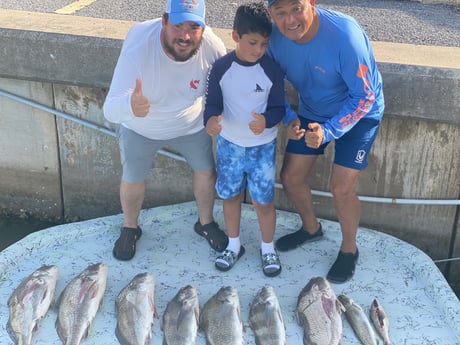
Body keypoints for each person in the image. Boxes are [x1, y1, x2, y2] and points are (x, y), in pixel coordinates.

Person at [266, 0, 385, 283]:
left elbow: (365, 96)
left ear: (312, 3)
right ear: (270, 13)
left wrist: (329, 131)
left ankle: (349, 249)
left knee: (341, 188)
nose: (290, 20)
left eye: (296, 8)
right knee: (290, 178)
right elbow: (270, 83)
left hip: (360, 114)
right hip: (311, 111)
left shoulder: (345, 35)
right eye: (280, 12)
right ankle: (311, 229)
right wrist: (290, 118)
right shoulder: (273, 38)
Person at [103, 0, 229, 261]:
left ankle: (205, 223)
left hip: (191, 124)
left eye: (194, 27)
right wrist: (130, 105)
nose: (185, 36)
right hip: (141, 125)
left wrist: (219, 117)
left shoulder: (214, 48)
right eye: (177, 26)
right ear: (163, 21)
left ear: (204, 29)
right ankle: (130, 227)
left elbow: (226, 93)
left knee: (206, 172)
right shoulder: (139, 41)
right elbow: (109, 110)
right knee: (133, 177)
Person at [204, 2, 285, 277]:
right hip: (229, 146)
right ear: (235, 36)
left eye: (264, 44)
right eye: (253, 43)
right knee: (230, 197)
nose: (259, 50)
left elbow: (278, 108)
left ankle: (267, 247)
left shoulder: (272, 70)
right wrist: (211, 121)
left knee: (264, 202)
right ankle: (234, 244)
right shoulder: (220, 68)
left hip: (263, 147)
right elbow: (212, 103)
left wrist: (267, 121)